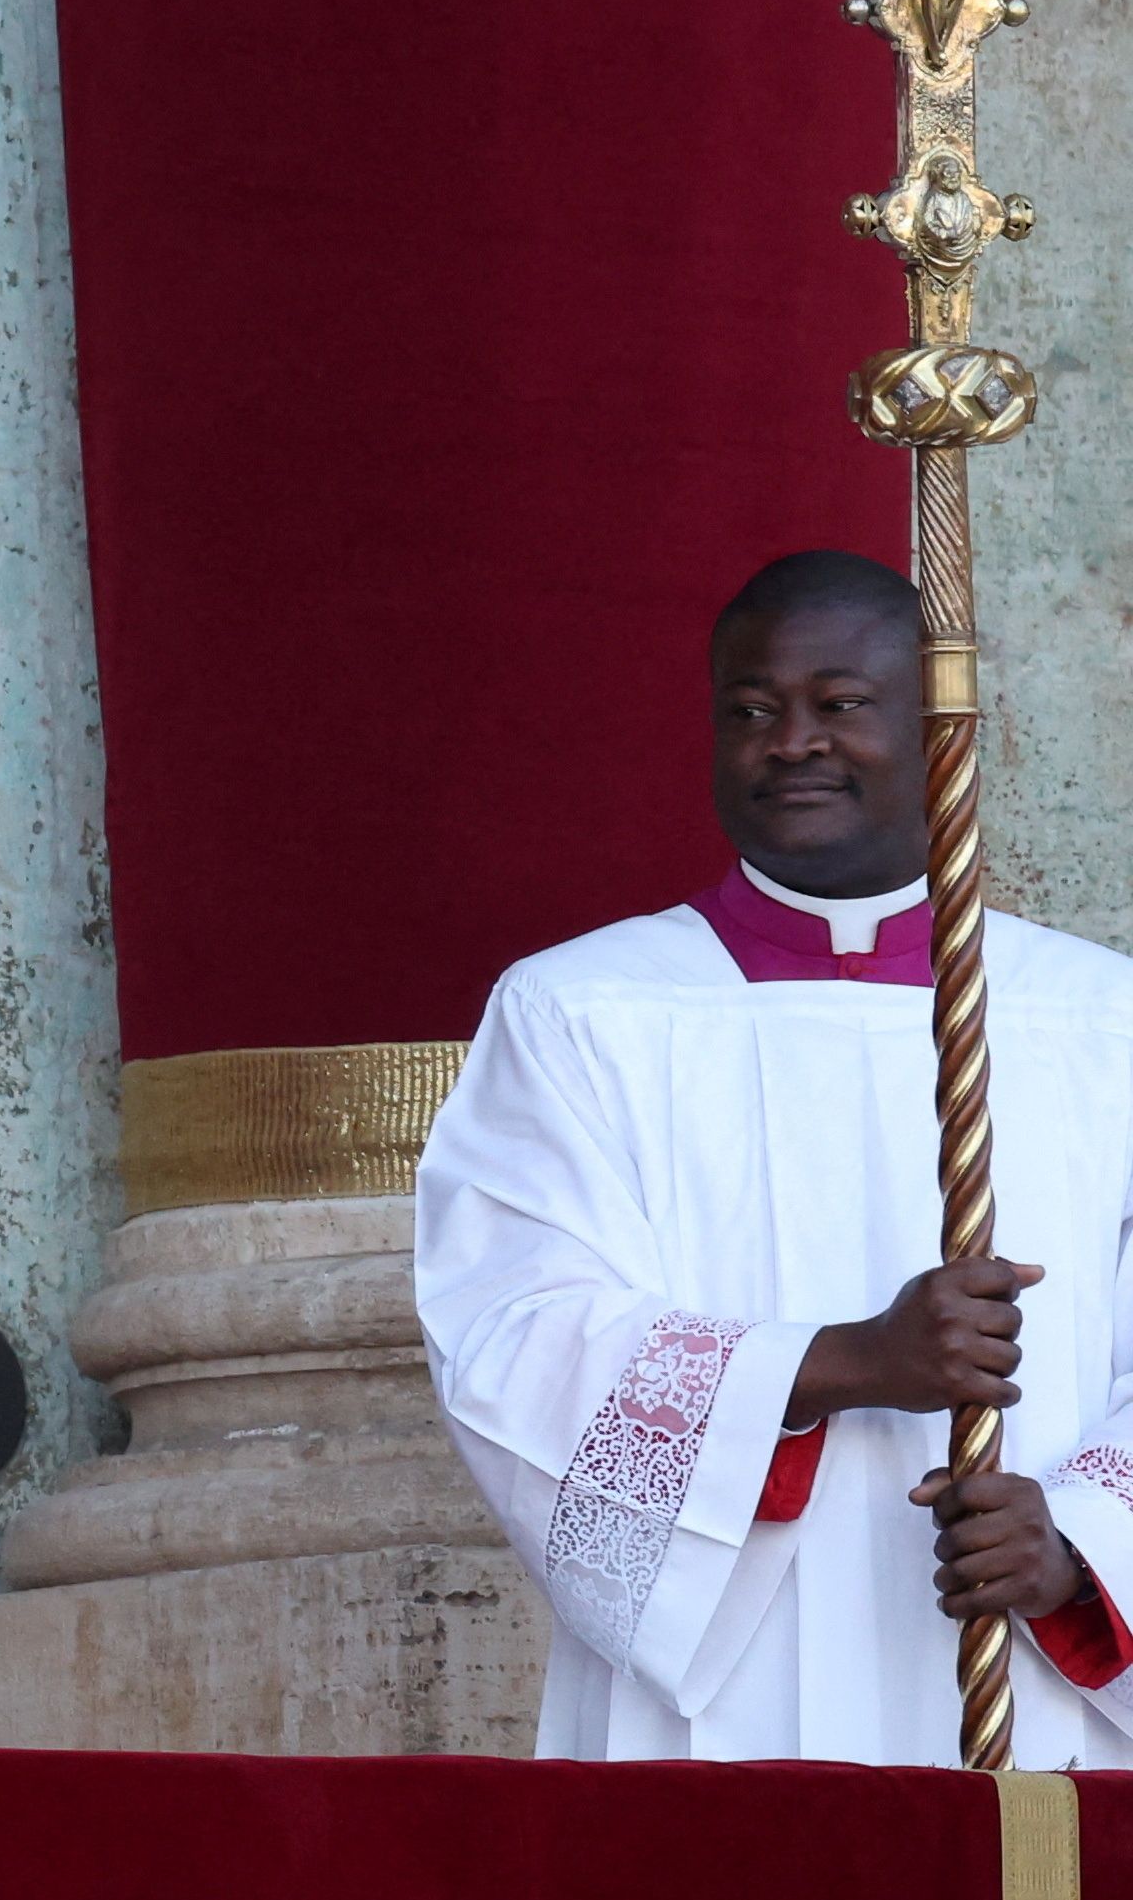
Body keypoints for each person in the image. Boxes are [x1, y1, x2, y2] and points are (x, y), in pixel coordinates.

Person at [419, 548, 1133, 1761]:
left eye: (841, 705)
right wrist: (847, 1360)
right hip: (713, 1706)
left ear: (943, 722)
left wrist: (1078, 1547)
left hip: (1026, 1675)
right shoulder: (580, 1013)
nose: (791, 740)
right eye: (751, 710)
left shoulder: (1103, 1021)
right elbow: (511, 1334)